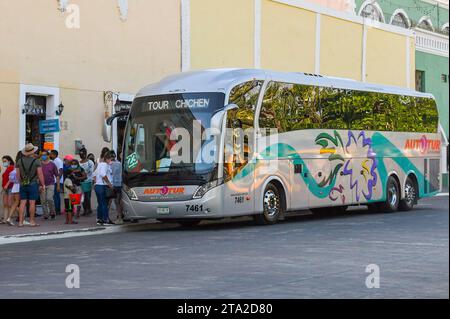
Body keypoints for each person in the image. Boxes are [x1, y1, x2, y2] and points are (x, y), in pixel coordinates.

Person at [16, 143, 45, 227]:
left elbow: (18, 175)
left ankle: (20, 222)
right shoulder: (36, 161)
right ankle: (32, 221)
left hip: (22, 184)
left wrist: (21, 182)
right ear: (33, 151)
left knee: (22, 203)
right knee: (32, 203)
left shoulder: (19, 161)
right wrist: (42, 184)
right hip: (33, 184)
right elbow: (40, 174)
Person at [93, 151, 114, 225]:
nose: (111, 161)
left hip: (98, 186)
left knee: (100, 203)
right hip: (102, 186)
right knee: (104, 203)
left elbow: (94, 174)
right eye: (111, 159)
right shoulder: (105, 165)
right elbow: (103, 174)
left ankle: (99, 219)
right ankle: (105, 220)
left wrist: (95, 182)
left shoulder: (100, 164)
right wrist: (109, 183)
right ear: (107, 159)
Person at [40, 150, 60, 220]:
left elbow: (57, 175)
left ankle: (52, 212)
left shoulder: (52, 164)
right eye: (42, 155)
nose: (43, 156)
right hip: (42, 185)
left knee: (49, 198)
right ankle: (46, 214)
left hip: (51, 184)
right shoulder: (39, 164)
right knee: (43, 200)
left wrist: (58, 185)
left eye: (45, 155)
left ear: (48, 156)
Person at [5, 152, 22, 226]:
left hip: (15, 185)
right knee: (22, 202)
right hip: (21, 184)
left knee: (15, 202)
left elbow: (12, 176)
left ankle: (9, 218)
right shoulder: (23, 162)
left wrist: (7, 184)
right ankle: (22, 219)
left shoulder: (16, 163)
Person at [108, 151, 123, 224]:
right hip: (119, 185)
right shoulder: (120, 164)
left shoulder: (109, 164)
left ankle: (106, 218)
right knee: (118, 202)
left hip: (112, 185)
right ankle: (120, 218)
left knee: (109, 202)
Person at [79, 148, 94, 216]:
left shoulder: (90, 162)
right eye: (80, 154)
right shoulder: (79, 163)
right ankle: (85, 210)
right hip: (81, 182)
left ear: (85, 154)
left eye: (82, 153)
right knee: (83, 197)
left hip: (88, 181)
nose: (81, 155)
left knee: (87, 196)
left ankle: (89, 209)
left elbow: (92, 171)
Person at [1, 156, 15, 224]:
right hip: (5, 189)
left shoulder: (12, 167)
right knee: (5, 204)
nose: (4, 162)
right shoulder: (7, 168)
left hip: (10, 188)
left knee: (10, 204)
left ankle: (10, 219)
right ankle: (5, 219)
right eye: (3, 161)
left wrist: (6, 185)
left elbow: (11, 178)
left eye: (5, 161)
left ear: (9, 161)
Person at [50, 150, 63, 215]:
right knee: (55, 196)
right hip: (55, 181)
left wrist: (58, 180)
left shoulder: (58, 161)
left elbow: (60, 170)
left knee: (56, 196)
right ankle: (56, 209)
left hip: (57, 181)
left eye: (51, 154)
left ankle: (57, 210)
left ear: (54, 155)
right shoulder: (54, 161)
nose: (50, 155)